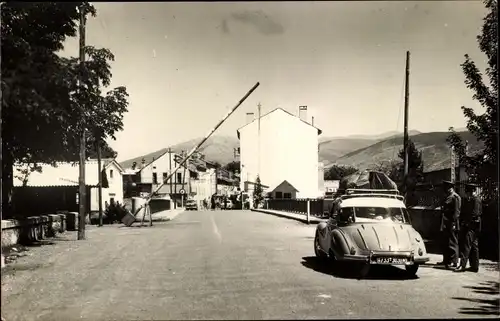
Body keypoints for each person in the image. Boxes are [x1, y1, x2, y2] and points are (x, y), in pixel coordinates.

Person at [455, 183, 482, 273]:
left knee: (467, 245)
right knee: (474, 245)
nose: (466, 194)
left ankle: (462, 265)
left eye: (467, 192)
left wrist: (466, 223)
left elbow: (475, 214)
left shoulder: (476, 200)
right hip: (472, 225)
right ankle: (475, 266)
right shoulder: (471, 200)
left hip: (473, 226)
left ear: (471, 191)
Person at [438, 180, 461, 269]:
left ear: (451, 188)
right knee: (445, 241)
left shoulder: (455, 197)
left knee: (453, 242)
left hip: (452, 222)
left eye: (447, 188)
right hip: (446, 222)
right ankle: (446, 260)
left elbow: (457, 212)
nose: (446, 190)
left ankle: (454, 261)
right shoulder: (447, 197)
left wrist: (454, 223)